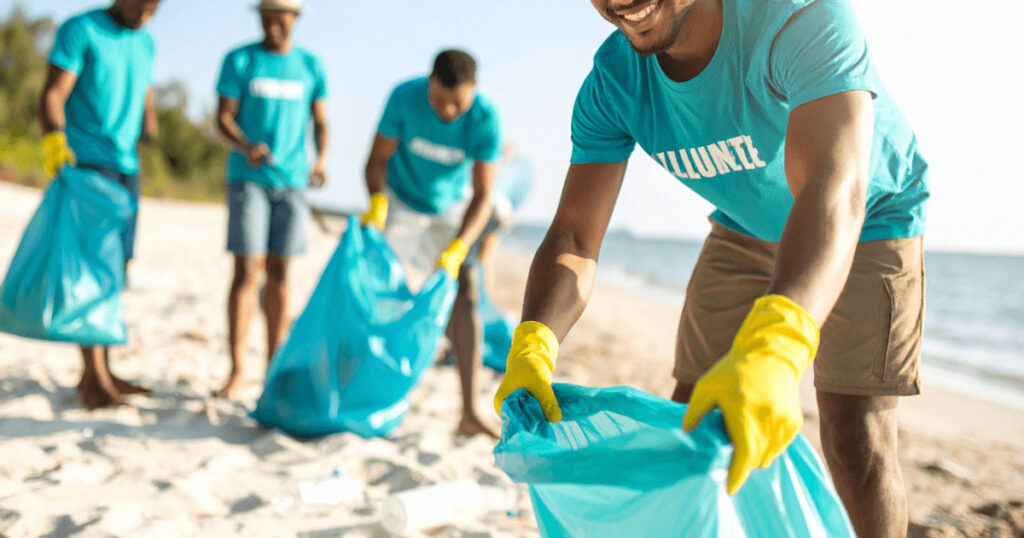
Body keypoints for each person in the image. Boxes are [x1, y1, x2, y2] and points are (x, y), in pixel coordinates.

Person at [492, 0, 928, 535]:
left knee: (854, 439)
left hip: (867, 216)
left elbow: (832, 189)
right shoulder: (613, 82)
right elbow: (575, 236)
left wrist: (779, 341)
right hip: (746, 224)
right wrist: (534, 340)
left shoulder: (802, 17)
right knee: (691, 418)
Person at [362, 49, 503, 437]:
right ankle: (367, 391)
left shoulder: (486, 119)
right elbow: (375, 161)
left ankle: (470, 411)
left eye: (457, 104)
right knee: (381, 290)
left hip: (450, 207)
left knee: (469, 291)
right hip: (400, 198)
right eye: (440, 101)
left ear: (473, 91)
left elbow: (482, 196)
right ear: (429, 84)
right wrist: (377, 202)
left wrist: (459, 248)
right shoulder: (404, 98)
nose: (447, 112)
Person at [38, 0, 162, 409]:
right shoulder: (80, 29)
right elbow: (54, 93)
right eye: (141, 5)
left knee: (117, 268)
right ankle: (93, 381)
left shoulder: (145, 42)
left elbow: (144, 96)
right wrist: (54, 138)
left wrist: (150, 124)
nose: (146, 14)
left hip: (128, 167)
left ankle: (103, 371)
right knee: (92, 269)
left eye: (155, 7)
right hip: (88, 164)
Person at [214, 0, 329, 398]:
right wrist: (246, 146)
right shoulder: (240, 60)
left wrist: (321, 160)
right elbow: (223, 118)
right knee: (247, 270)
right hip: (248, 178)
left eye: (279, 15)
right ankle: (236, 369)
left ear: (294, 19)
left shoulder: (311, 66)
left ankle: (273, 367)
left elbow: (321, 121)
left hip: (293, 183)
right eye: (265, 15)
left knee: (281, 273)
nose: (272, 23)